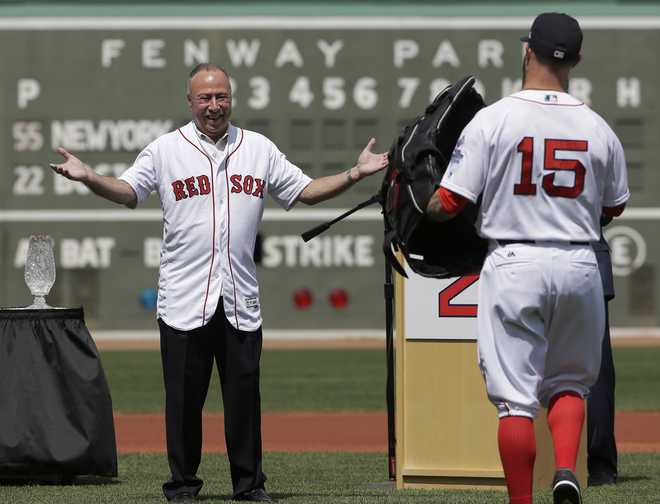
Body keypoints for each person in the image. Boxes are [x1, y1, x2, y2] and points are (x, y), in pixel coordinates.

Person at [50, 63, 388, 503]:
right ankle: (183, 487)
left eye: (221, 96)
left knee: (244, 404)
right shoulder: (166, 150)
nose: (214, 105)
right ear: (189, 102)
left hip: (239, 300)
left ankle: (249, 487)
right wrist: (90, 177)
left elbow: (304, 190)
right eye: (205, 98)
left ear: (232, 99)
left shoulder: (258, 149)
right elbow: (130, 191)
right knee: (183, 404)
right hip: (184, 300)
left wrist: (355, 174)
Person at [425, 13, 629, 504]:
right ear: (576, 60)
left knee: (515, 399)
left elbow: (447, 204)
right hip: (580, 261)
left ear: (526, 51)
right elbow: (614, 206)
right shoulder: (598, 127)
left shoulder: (494, 119)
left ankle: (522, 500)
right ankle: (564, 470)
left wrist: (421, 199)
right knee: (570, 384)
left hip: (515, 261)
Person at [587, 228, 618, 486]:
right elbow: (612, 207)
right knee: (596, 370)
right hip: (589, 261)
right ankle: (600, 468)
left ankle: (547, 459)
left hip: (528, 263)